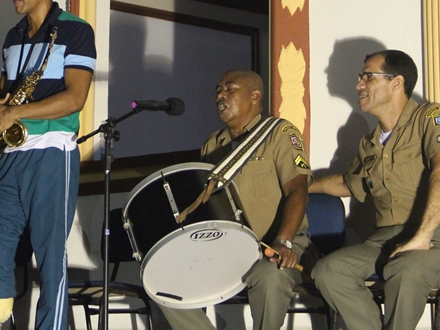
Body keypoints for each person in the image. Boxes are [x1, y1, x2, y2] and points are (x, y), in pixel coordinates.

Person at [0, 0, 96, 329]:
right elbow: (4, 94)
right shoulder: (13, 36)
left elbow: (75, 98)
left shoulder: (76, 30)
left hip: (51, 152)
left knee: (49, 256)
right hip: (12, 154)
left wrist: (15, 112)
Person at [161, 69, 316, 330]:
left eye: (230, 89)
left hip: (277, 243)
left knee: (269, 275)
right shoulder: (212, 144)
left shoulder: (280, 133)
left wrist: (283, 241)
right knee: (167, 280)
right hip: (228, 247)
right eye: (218, 91)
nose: (220, 95)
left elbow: (298, 191)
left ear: (254, 96)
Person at [310, 50, 440, 330]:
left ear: (396, 82)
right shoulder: (369, 143)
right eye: (361, 77)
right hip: (384, 240)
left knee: (406, 269)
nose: (359, 84)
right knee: (329, 271)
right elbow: (346, 183)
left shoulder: (430, 117)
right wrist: (299, 186)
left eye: (368, 77)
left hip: (434, 238)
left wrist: (422, 236)